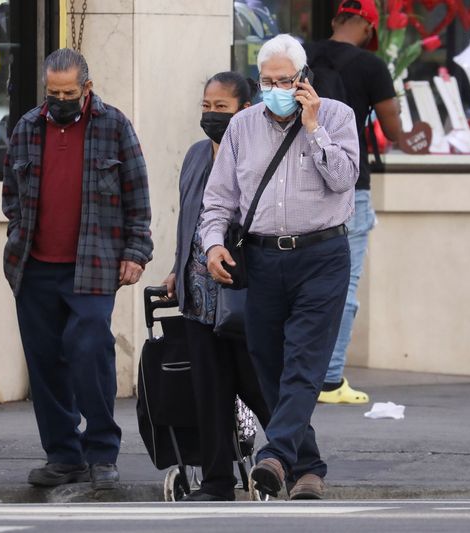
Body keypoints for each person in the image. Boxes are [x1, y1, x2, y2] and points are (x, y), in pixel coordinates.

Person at [201, 34, 359, 500]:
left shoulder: (337, 116)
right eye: (266, 81)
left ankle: (274, 457)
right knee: (268, 366)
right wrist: (212, 245)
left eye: (284, 81)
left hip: (322, 255)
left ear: (303, 80)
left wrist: (314, 129)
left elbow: (344, 180)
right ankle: (307, 466)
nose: (275, 89)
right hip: (264, 259)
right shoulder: (242, 127)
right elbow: (219, 199)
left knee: (305, 363)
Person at [2, 48, 153, 491]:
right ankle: (63, 455)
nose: (61, 99)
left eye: (69, 92)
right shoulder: (27, 127)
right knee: (45, 364)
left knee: (89, 351)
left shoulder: (114, 126)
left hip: (94, 265)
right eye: (54, 92)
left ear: (86, 87)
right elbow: (12, 192)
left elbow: (137, 195)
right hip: (34, 267)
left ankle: (102, 451)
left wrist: (136, 251)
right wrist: (19, 232)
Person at [162, 72, 271, 502]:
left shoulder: (258, 156)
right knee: (208, 392)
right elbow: (188, 218)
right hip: (197, 296)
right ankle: (217, 482)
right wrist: (176, 268)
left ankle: (297, 462)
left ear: (246, 109)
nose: (210, 115)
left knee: (258, 387)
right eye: (206, 107)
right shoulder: (193, 157)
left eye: (220, 108)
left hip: (241, 294)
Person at [305, 0, 402, 404]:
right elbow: (394, 129)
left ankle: (296, 373)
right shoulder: (370, 66)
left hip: (301, 182)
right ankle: (329, 381)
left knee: (299, 281)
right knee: (344, 283)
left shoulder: (302, 57)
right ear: (366, 27)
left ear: (335, 20)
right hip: (350, 184)